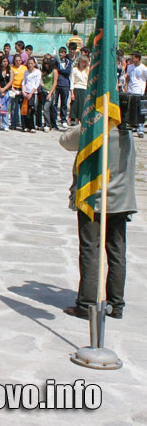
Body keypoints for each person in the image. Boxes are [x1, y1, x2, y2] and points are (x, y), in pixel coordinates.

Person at [60, 122, 137, 320]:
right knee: (117, 253)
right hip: (121, 199)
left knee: (90, 251)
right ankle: (115, 304)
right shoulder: (127, 130)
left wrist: (82, 121)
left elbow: (65, 141)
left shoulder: (95, 124)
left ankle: (86, 304)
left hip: (95, 199)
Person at [124, 52, 146, 138]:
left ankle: (140, 128)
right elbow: (128, 77)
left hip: (139, 91)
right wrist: (126, 86)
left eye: (134, 57)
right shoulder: (130, 67)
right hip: (131, 90)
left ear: (138, 58)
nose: (132, 59)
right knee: (130, 110)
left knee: (140, 111)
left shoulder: (143, 68)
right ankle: (132, 126)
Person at [70, 55, 89, 126]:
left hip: (84, 89)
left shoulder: (87, 70)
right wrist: (72, 93)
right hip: (77, 89)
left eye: (85, 62)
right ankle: (76, 123)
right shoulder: (75, 70)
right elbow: (72, 81)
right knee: (76, 108)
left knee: (83, 108)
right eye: (82, 62)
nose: (83, 64)